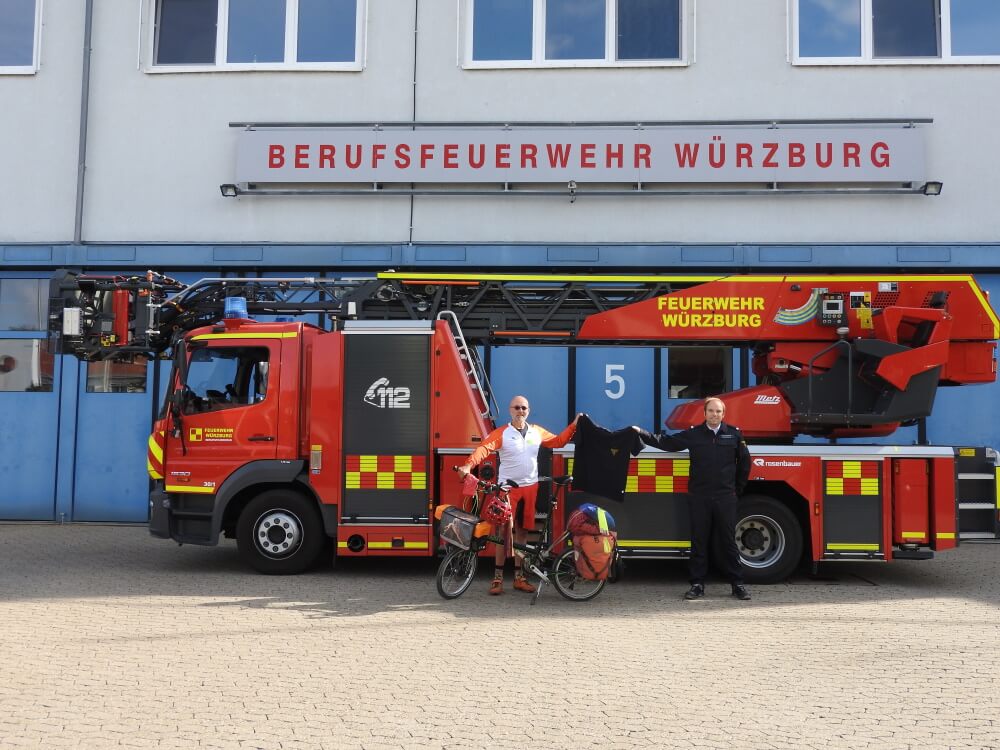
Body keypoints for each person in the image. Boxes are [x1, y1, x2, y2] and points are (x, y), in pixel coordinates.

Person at [458, 396, 579, 595]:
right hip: (507, 490)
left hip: (530, 488)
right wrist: (468, 465)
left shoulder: (537, 432)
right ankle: (497, 580)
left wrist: (573, 426)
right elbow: (483, 449)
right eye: (516, 407)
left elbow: (559, 441)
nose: (520, 411)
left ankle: (519, 578)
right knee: (501, 534)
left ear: (528, 411)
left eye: (523, 408)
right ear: (510, 410)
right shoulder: (502, 433)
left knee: (522, 533)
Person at [634, 397, 752, 601]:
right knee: (699, 541)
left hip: (725, 498)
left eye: (718, 412)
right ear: (704, 413)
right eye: (711, 411)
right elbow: (668, 443)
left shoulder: (734, 434)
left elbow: (745, 464)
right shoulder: (694, 434)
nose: (715, 415)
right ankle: (697, 584)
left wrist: (736, 490)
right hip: (700, 497)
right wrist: (641, 433)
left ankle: (737, 584)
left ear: (723, 414)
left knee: (728, 542)